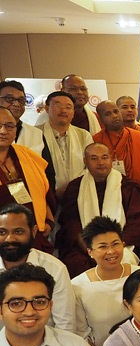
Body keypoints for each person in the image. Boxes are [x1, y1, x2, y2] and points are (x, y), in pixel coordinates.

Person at [57, 143, 140, 276]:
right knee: (76, 264)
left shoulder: (127, 187)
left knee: (124, 261)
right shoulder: (75, 187)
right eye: (94, 158)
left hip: (123, 245)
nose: (101, 162)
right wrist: (89, 247)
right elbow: (70, 222)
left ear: (111, 159)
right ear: (85, 161)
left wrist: (116, 246)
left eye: (104, 157)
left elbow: (139, 221)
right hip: (85, 247)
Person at [0, 203, 75, 332]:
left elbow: (66, 325)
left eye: (18, 231)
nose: (9, 238)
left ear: (33, 231)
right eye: (2, 232)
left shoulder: (54, 269)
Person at [71, 216, 140, 346]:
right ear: (90, 252)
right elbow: (81, 333)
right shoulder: (78, 286)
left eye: (115, 244)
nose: (111, 251)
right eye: (103, 246)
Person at [0, 106, 55, 253]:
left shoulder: (27, 155)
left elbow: (43, 191)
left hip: (33, 234)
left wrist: (49, 221)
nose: (3, 131)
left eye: (9, 126)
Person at [38, 91, 94, 198]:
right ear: (46, 108)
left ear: (73, 112)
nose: (63, 110)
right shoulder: (35, 133)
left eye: (68, 107)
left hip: (79, 193)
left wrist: (73, 188)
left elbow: (90, 166)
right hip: (45, 194)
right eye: (58, 105)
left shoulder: (83, 135)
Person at [93, 100, 140, 187]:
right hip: (109, 191)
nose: (114, 116)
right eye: (108, 114)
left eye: (116, 112)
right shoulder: (95, 141)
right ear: (100, 119)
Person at [0, 80, 44, 155]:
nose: (16, 104)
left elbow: (45, 165)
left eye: (21, 100)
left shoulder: (36, 133)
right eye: (9, 99)